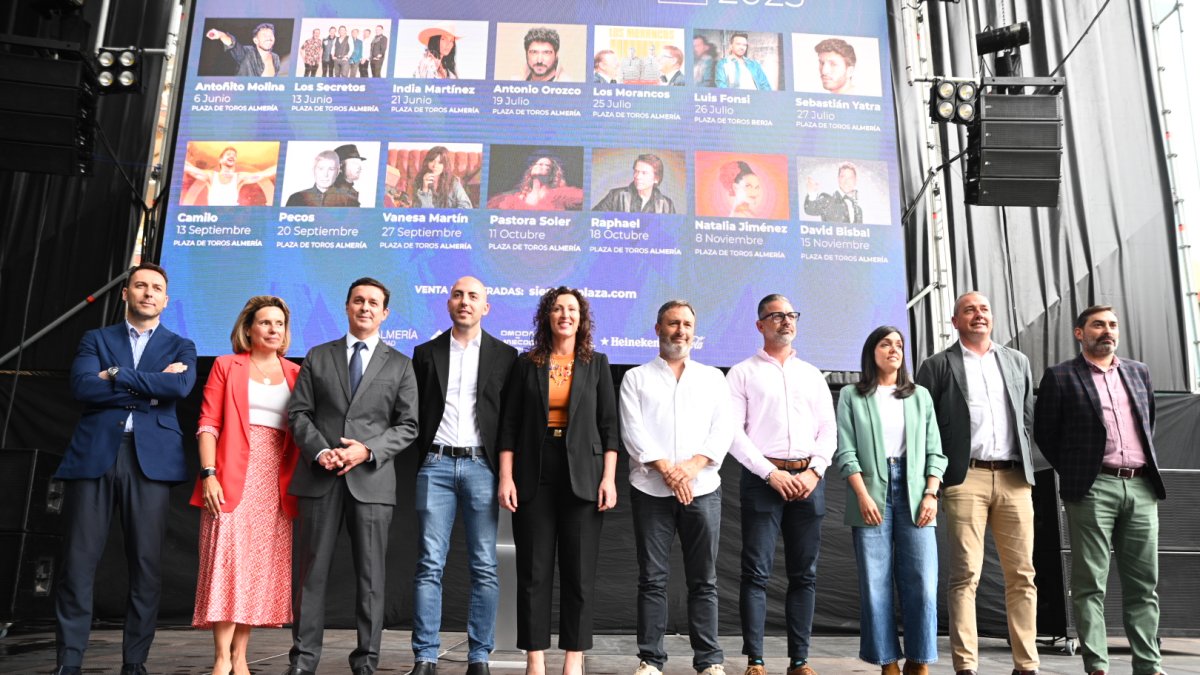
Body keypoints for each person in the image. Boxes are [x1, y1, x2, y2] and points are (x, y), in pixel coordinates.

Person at [53, 263, 197, 675]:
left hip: (149, 462)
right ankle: (69, 662)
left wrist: (116, 374)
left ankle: (135, 662)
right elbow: (83, 387)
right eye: (140, 286)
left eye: (156, 288)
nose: (148, 293)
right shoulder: (95, 338)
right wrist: (148, 385)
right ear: (125, 293)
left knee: (146, 567)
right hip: (95, 455)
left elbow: (178, 388)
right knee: (78, 564)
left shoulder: (181, 345)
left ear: (166, 299)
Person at [283, 277, 419, 675]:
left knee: (371, 578)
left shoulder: (400, 364)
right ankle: (303, 661)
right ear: (346, 307)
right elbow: (299, 414)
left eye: (373, 302)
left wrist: (367, 450)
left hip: (372, 483)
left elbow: (408, 425)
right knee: (311, 575)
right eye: (358, 300)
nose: (365, 307)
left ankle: (366, 662)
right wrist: (322, 451)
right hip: (320, 478)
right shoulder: (318, 355)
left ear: (385, 313)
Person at [1034, 305, 1167, 675]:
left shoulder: (1138, 373)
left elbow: (1148, 421)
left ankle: (1148, 665)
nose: (1106, 331)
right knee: (1090, 583)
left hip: (1140, 487)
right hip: (1093, 488)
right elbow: (1046, 434)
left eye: (1112, 325)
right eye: (1097, 325)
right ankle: (1097, 666)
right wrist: (1078, 471)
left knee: (1144, 584)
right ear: (1080, 333)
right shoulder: (1060, 376)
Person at [914, 291, 1039, 675]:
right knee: (965, 574)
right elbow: (924, 427)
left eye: (984, 309)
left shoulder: (1017, 361)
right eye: (969, 310)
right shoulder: (937, 365)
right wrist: (931, 485)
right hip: (963, 477)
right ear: (955, 322)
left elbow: (1028, 417)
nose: (978, 315)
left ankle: (1027, 664)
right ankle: (966, 666)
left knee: (1023, 575)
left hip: (1015, 478)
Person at [497, 287, 619, 675]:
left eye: (572, 309)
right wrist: (505, 477)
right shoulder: (526, 363)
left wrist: (609, 478)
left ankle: (573, 659)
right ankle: (535, 659)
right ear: (546, 317)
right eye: (557, 308)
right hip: (534, 473)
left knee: (579, 572)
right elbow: (509, 426)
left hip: (584, 474)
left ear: (581, 319)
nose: (564, 315)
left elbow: (609, 427)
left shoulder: (596, 364)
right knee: (533, 572)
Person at [409, 277, 519, 675]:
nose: (465, 301)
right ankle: (425, 655)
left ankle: (479, 657)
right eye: (458, 294)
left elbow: (509, 421)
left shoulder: (506, 356)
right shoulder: (425, 353)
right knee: (429, 564)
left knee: (484, 565)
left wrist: (506, 473)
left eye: (473, 296)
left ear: (486, 307)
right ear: (448, 303)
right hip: (435, 466)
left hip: (482, 468)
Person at [621, 301, 735, 675]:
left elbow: (722, 430)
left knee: (704, 580)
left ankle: (709, 662)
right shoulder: (636, 378)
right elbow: (633, 431)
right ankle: (650, 661)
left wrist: (690, 468)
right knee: (652, 579)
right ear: (657, 329)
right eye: (673, 324)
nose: (680, 331)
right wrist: (668, 471)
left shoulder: (713, 378)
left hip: (702, 490)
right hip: (650, 491)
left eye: (687, 324)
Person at [190, 296, 301, 675]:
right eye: (265, 323)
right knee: (228, 562)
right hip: (230, 477)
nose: (273, 329)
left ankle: (241, 656)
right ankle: (221, 657)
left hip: (275, 483)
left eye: (279, 324)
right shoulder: (227, 366)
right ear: (248, 328)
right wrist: (209, 474)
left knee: (256, 568)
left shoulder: (296, 374)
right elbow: (208, 424)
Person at [726, 294, 836, 675]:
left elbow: (828, 431)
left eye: (791, 315)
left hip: (809, 481)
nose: (786, 321)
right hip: (763, 481)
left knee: (803, 574)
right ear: (760, 325)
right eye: (776, 316)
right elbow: (732, 435)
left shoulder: (812, 374)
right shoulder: (741, 373)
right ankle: (755, 660)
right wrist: (770, 474)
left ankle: (799, 661)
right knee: (756, 572)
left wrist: (814, 472)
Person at [833, 326, 946, 675]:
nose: (893, 350)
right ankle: (887, 662)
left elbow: (935, 451)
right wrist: (863, 495)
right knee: (875, 583)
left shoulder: (920, 396)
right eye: (886, 344)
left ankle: (919, 659)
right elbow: (846, 450)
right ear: (872, 352)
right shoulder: (852, 394)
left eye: (898, 345)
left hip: (915, 493)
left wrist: (931, 493)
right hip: (870, 492)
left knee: (923, 582)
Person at [183, 146, 276, 207]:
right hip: (213, 221)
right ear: (220, 160)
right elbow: (189, 169)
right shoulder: (211, 176)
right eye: (228, 154)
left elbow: (264, 174)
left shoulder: (239, 177)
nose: (232, 156)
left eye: (234, 155)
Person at [486, 155, 583, 211]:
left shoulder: (561, 195)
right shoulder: (514, 198)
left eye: (546, 165)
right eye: (538, 163)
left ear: (552, 173)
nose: (540, 165)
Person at [592, 154, 676, 214]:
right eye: (636, 171)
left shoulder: (667, 205)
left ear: (656, 179)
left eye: (644, 173)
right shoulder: (615, 196)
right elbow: (592, 219)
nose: (637, 176)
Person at [285, 150, 358, 208]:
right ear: (313, 170)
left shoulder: (349, 201)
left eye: (331, 169)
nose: (325, 175)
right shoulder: (296, 199)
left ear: (338, 172)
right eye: (321, 169)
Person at [206, 24, 280, 77]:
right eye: (264, 35)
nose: (269, 38)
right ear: (255, 40)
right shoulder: (247, 53)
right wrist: (221, 35)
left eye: (271, 35)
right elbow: (233, 45)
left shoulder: (275, 58)